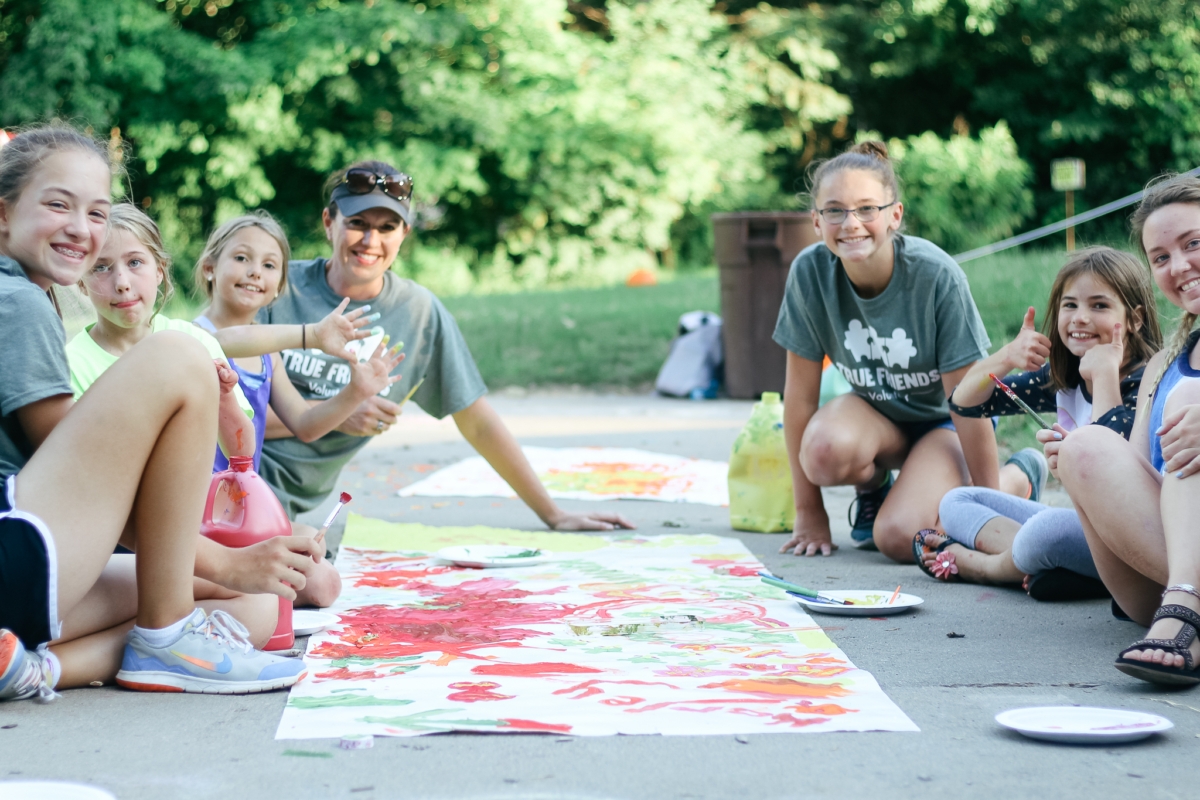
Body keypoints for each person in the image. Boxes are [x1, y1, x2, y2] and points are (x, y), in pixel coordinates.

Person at [0, 126, 310, 702]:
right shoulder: (15, 301)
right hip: (18, 554)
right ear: (2, 215)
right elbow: (83, 483)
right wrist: (224, 561)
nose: (81, 227)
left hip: (26, 567)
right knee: (179, 352)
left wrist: (227, 568)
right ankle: (167, 637)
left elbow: (91, 492)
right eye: (57, 204)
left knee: (257, 606)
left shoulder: (21, 294)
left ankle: (36, 669)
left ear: (160, 270)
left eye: (96, 211)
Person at [256, 160, 634, 532]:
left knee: (311, 582)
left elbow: (478, 421)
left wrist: (554, 514)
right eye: (357, 224)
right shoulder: (279, 287)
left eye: (388, 227)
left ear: (404, 235)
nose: (371, 241)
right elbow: (219, 407)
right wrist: (338, 410)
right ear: (329, 223)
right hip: (227, 474)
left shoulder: (417, 314)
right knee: (300, 581)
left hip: (278, 504)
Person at [772, 141, 1027, 561]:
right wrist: (809, 512)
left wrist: (990, 508)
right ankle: (878, 490)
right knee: (822, 450)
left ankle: (1016, 477)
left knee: (899, 537)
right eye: (835, 210)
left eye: (867, 208)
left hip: (946, 423)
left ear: (895, 215)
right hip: (880, 419)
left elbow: (968, 401)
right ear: (816, 222)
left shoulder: (935, 275)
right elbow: (799, 400)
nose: (851, 223)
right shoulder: (809, 273)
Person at [914, 247, 1161, 599]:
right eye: (1070, 304)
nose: (1080, 317)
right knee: (956, 501)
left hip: (1134, 538)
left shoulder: (1148, 382)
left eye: (1099, 305)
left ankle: (988, 568)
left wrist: (1106, 375)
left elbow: (1112, 472)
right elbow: (964, 402)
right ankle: (1051, 567)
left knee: (1044, 531)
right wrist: (1005, 357)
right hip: (1081, 528)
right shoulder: (1066, 377)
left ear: (1134, 319)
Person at [193, 211, 405, 606]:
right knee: (320, 583)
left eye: (269, 265)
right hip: (197, 513)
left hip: (242, 510)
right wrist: (311, 336)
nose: (255, 272)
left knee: (313, 547)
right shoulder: (194, 339)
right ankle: (223, 590)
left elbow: (305, 425)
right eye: (241, 258)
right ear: (209, 267)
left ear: (278, 288)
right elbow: (226, 341)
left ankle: (235, 588)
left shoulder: (269, 356)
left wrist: (356, 391)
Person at [1056, 174, 1200, 686]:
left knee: (1191, 401)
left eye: (1193, 244)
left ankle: (1187, 606)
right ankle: (1182, 599)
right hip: (1154, 581)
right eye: (1160, 258)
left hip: (1180, 595)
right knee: (1085, 448)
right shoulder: (1165, 363)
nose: (1179, 267)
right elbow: (1139, 472)